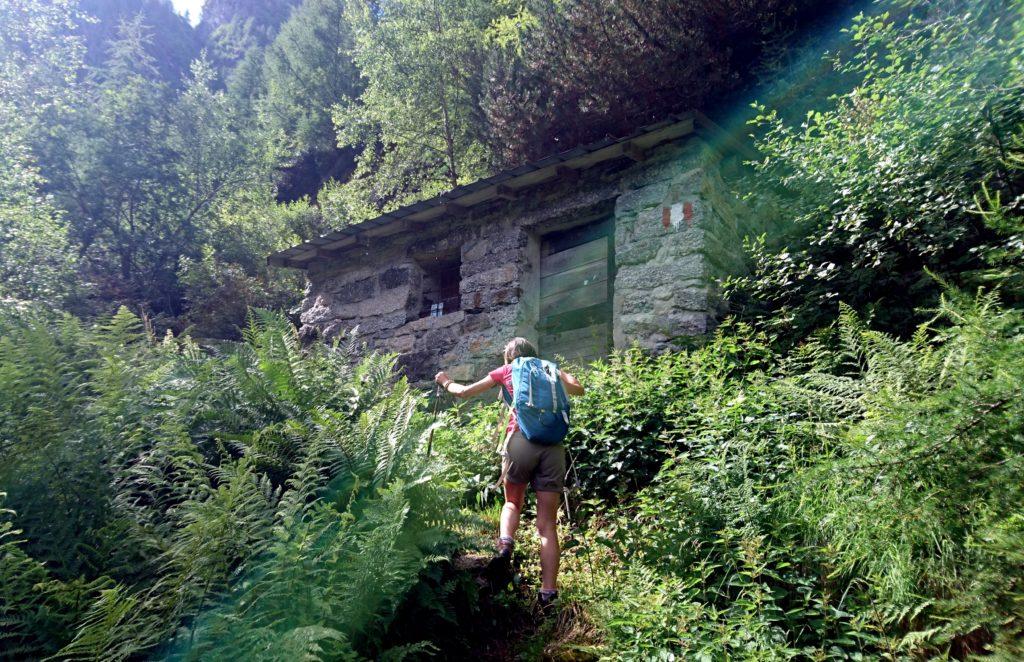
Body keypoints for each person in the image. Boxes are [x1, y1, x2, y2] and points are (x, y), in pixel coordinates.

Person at [434, 337, 584, 607]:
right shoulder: (550, 369)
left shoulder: (507, 370)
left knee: (512, 501)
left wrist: (444, 380)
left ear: (509, 356)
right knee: (548, 526)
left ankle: (505, 547)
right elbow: (578, 389)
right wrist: (564, 372)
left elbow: (463, 392)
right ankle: (548, 594)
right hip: (553, 448)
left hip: (520, 441)